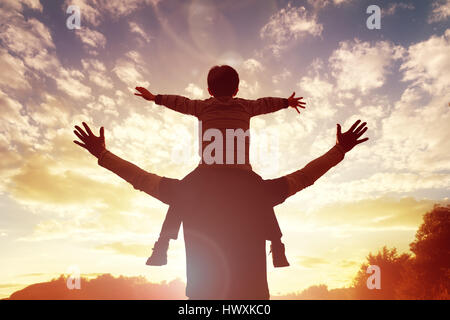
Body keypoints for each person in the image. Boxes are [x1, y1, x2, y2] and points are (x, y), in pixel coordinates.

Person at [73, 119, 368, 299]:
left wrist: (102, 153)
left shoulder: (186, 190)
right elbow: (305, 176)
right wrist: (339, 150)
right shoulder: (258, 191)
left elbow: (139, 178)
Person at [134, 65, 306, 267]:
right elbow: (266, 104)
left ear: (209, 90)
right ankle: (277, 244)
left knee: (180, 193)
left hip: (208, 169)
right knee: (262, 196)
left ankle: (162, 245)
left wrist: (156, 98)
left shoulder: (203, 107)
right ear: (236, 90)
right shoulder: (245, 106)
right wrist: (287, 102)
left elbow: (181, 103)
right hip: (241, 172)